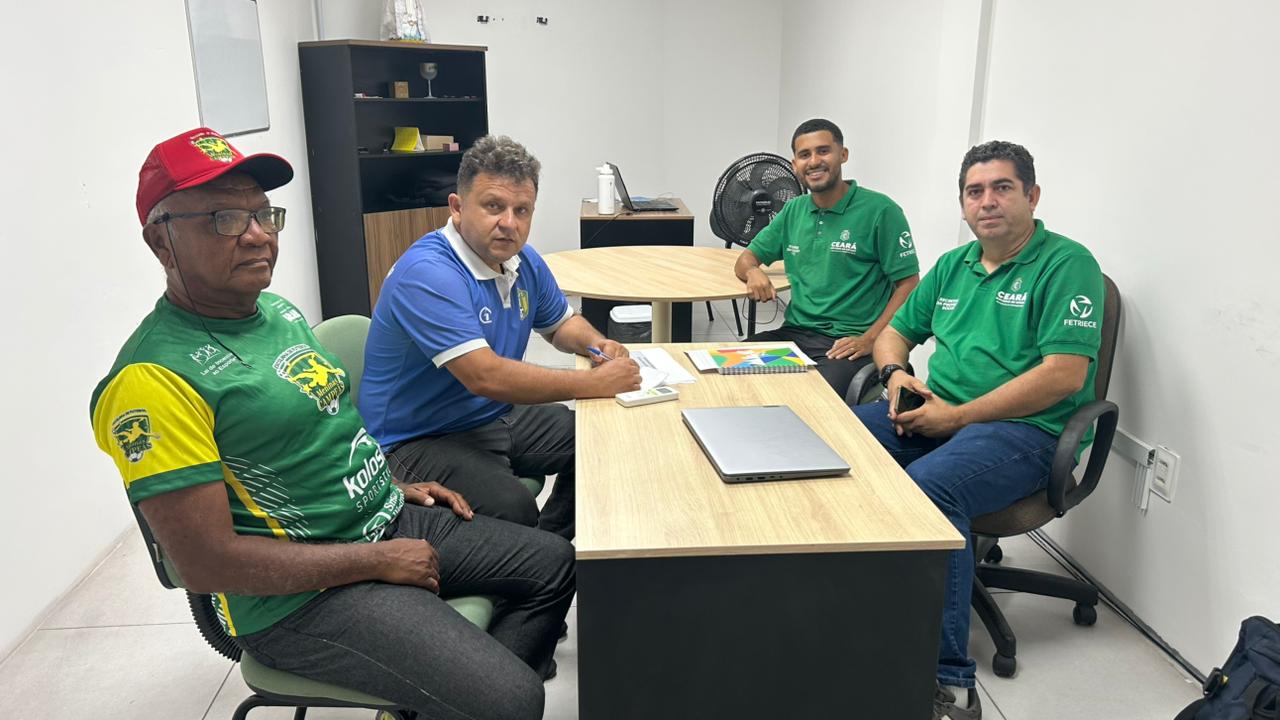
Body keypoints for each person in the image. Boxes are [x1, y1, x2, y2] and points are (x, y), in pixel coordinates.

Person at [90, 128, 574, 720]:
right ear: (161, 241)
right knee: (515, 699)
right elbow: (205, 564)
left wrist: (390, 484)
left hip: (382, 518)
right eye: (224, 219)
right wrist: (375, 561)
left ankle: (455, 698)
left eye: (262, 214)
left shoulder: (276, 313)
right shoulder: (153, 379)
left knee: (554, 563)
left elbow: (319, 438)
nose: (257, 234)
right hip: (301, 600)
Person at [852, 141, 1105, 720]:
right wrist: (895, 375)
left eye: (1002, 188)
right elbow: (894, 333)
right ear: (963, 204)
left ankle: (949, 680)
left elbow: (1064, 375)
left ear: (1032, 196)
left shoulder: (1067, 265)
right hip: (940, 411)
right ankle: (855, 600)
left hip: (1026, 431)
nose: (986, 201)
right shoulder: (953, 265)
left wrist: (959, 416)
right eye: (974, 191)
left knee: (931, 487)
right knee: (838, 442)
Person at [358, 135, 640, 541]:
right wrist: (594, 383)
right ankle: (538, 552)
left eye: (521, 210)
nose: (509, 223)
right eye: (494, 206)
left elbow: (561, 324)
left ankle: (552, 544)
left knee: (602, 435)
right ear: (457, 207)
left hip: (488, 416)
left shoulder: (522, 261)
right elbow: (485, 376)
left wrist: (599, 345)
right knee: (514, 507)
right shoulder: (428, 273)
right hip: (414, 439)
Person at [733, 118, 920, 398]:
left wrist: (872, 339)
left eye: (823, 151)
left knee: (808, 400)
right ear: (794, 164)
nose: (814, 161)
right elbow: (746, 258)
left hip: (847, 344)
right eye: (804, 154)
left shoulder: (881, 211)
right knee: (725, 374)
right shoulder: (793, 210)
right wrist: (753, 272)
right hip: (794, 335)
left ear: (843, 155)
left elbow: (909, 284)